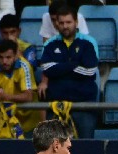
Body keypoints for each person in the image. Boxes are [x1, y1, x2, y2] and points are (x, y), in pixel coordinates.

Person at [39, 4, 99, 139]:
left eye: (68, 22)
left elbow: (89, 71)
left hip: (83, 106)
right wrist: (73, 64)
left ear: (76, 22)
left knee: (86, 148)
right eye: (61, 23)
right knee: (54, 148)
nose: (65, 26)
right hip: (56, 106)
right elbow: (47, 68)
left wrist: (59, 67)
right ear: (56, 24)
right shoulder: (50, 45)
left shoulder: (87, 44)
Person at [0, 39, 42, 136]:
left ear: (15, 56)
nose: (4, 61)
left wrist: (5, 97)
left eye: (8, 57)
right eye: (1, 57)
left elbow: (28, 96)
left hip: (29, 122)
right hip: (7, 122)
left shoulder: (24, 66)